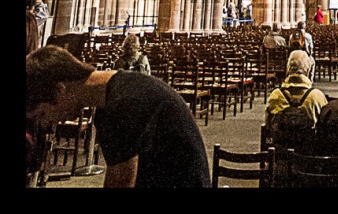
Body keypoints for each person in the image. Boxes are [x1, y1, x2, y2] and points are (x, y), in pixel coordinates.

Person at [26, 44, 211, 187]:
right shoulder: (116, 94)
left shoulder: (122, 105)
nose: (49, 122)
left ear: (60, 90)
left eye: (43, 113)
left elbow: (121, 182)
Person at [264, 50, 327, 144]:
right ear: (308, 70)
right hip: (308, 155)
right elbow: (324, 129)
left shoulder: (275, 95)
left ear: (288, 68)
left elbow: (268, 127)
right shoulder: (317, 96)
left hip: (280, 154)